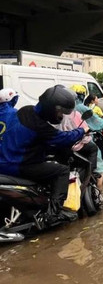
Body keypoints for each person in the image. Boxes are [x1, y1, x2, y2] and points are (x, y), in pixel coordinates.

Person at [0, 85, 88, 224]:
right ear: (50, 108)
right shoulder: (38, 125)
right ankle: (53, 214)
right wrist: (82, 131)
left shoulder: (24, 111)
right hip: (18, 165)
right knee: (62, 171)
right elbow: (63, 138)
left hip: (4, 161)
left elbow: (34, 140)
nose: (60, 116)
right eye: (60, 112)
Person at [59, 90, 102, 189]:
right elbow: (86, 127)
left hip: (59, 145)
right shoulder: (75, 113)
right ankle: (91, 172)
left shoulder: (53, 113)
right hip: (73, 143)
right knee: (93, 148)